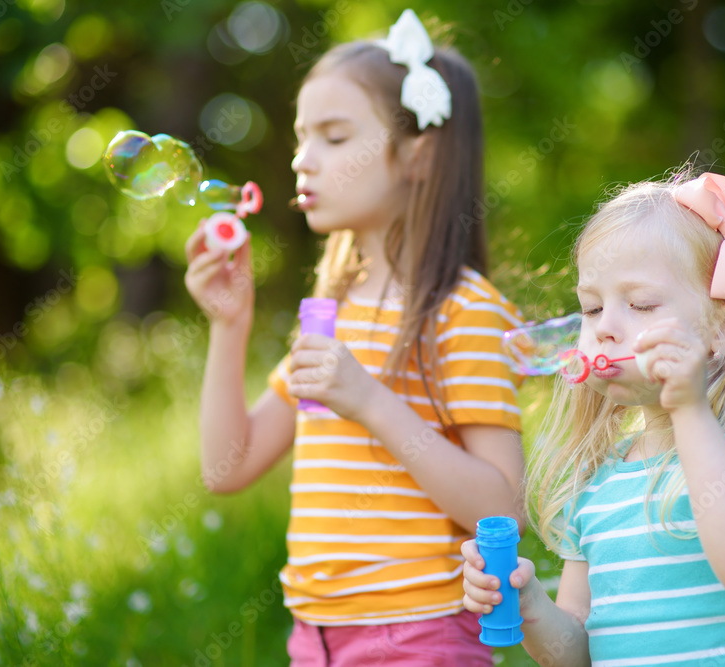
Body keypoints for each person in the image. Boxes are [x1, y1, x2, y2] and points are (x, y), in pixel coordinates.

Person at [184, 9, 525, 666]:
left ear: (417, 154)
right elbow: (227, 466)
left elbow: (503, 507)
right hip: (314, 638)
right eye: (300, 137)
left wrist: (370, 401)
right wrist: (231, 325)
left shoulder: (463, 310)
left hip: (420, 632)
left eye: (335, 137)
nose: (301, 160)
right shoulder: (332, 310)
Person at [460, 170, 725, 665]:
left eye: (641, 304)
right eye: (592, 308)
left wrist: (688, 408)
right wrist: (529, 601)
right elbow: (577, 654)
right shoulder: (597, 480)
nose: (605, 329)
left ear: (724, 329)